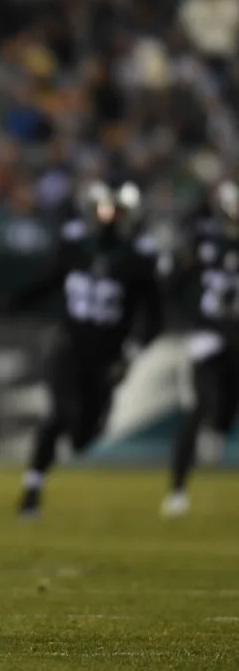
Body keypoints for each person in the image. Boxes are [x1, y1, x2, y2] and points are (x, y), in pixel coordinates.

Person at [0, 180, 164, 519]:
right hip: (70, 347)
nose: (108, 218)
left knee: (83, 436)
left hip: (107, 358)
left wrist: (130, 354)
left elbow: (155, 319)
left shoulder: (139, 259)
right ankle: (32, 489)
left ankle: (46, 471)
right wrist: (7, 302)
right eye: (103, 210)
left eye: (116, 212)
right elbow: (48, 281)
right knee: (58, 414)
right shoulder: (76, 245)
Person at [162, 180, 239, 517]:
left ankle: (218, 428)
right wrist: (197, 319)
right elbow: (174, 285)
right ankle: (177, 489)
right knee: (199, 407)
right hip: (208, 337)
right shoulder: (204, 244)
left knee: (224, 407)